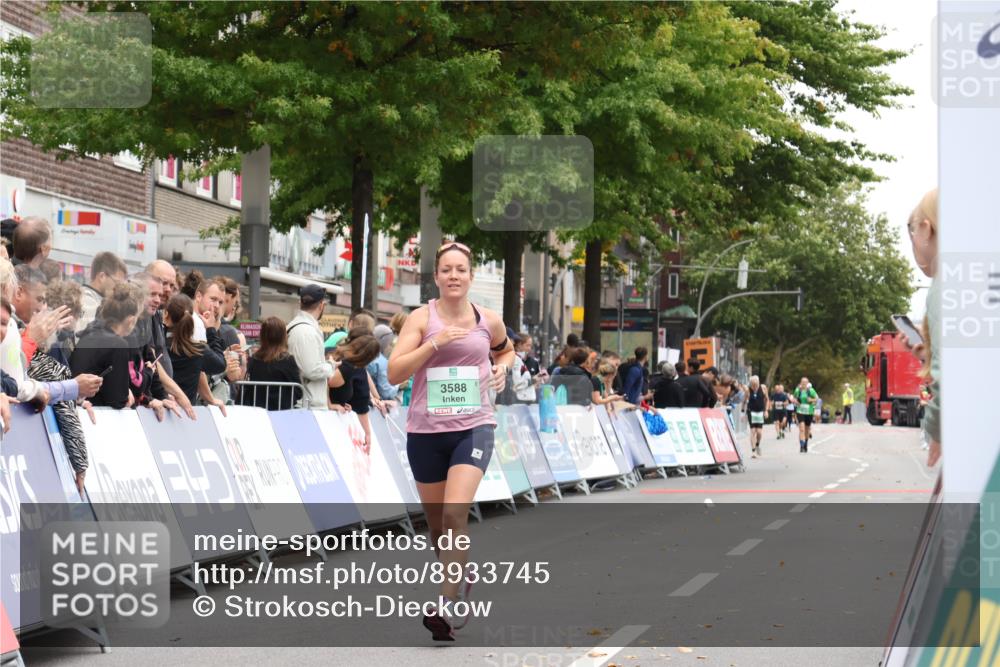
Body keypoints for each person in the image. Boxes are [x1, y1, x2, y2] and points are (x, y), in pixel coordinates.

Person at [387, 241, 514, 641]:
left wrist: (502, 370)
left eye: (461, 269)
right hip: (426, 432)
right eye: (447, 270)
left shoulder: (487, 319)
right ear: (437, 276)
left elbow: (505, 350)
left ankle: (444, 603)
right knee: (438, 525)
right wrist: (434, 344)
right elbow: (394, 373)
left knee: (455, 513)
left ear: (470, 276)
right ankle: (457, 568)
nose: (454, 276)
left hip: (473, 428)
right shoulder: (421, 319)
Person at [70, 284, 141, 409]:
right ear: (131, 320)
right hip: (94, 413)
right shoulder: (118, 344)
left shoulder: (88, 334)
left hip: (76, 406)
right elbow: (117, 399)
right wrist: (126, 395)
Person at [160, 293, 227, 411]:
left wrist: (210, 398)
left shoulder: (158, 346)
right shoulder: (197, 349)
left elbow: (201, 372)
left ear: (166, 314)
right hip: (186, 412)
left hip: (158, 411)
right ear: (191, 317)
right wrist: (211, 331)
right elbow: (220, 365)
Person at [286, 284, 336, 409]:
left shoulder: (298, 327)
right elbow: (311, 370)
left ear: (300, 303)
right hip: (307, 405)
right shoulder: (306, 331)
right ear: (321, 305)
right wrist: (331, 365)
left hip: (305, 403)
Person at [239, 316, 303, 410]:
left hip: (257, 411)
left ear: (262, 335)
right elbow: (298, 392)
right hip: (282, 412)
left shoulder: (254, 360)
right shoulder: (288, 360)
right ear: (283, 336)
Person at [77, 251, 128, 334]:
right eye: (117, 283)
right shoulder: (89, 303)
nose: (119, 288)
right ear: (102, 277)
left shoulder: (89, 299)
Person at [367, 323, 400, 401]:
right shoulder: (380, 361)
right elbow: (386, 393)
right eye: (389, 342)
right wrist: (399, 385)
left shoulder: (365, 355)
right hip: (376, 406)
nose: (389, 346)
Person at [790, 376, 818, 453]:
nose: (804, 384)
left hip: (809, 412)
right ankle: (802, 446)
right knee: (801, 429)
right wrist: (795, 401)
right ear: (800, 383)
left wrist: (811, 399)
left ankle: (805, 444)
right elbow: (793, 398)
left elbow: (817, 399)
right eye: (802, 382)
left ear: (807, 383)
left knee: (807, 429)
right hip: (800, 412)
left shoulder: (811, 390)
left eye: (805, 383)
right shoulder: (798, 390)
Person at [745, 376, 768, 457]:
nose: (754, 387)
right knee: (753, 431)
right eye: (752, 385)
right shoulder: (748, 390)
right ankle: (753, 451)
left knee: (759, 432)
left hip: (760, 412)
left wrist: (766, 410)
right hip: (751, 412)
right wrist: (742, 413)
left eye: (756, 385)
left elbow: (766, 399)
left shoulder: (763, 388)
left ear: (758, 383)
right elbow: (745, 401)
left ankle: (757, 444)